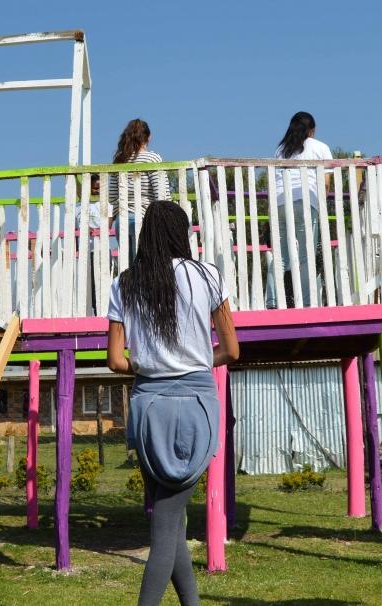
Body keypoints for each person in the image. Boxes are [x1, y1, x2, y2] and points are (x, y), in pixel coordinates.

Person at [106, 201, 239, 606]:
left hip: (147, 405)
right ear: (183, 234)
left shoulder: (124, 282)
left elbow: (114, 361)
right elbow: (232, 349)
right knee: (167, 524)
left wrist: (149, 364)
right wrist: (197, 361)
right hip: (196, 402)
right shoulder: (208, 276)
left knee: (168, 520)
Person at [266, 111, 333, 309]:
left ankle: (272, 301)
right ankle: (306, 302)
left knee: (280, 256)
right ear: (312, 130)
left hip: (279, 203)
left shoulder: (282, 148)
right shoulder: (320, 147)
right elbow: (326, 183)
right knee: (306, 256)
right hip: (305, 202)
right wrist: (321, 204)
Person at [105, 118, 171, 258]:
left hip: (122, 221)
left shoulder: (119, 161)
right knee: (148, 266)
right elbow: (161, 193)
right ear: (149, 137)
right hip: (146, 219)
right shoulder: (152, 158)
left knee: (129, 267)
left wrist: (110, 221)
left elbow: (112, 197)